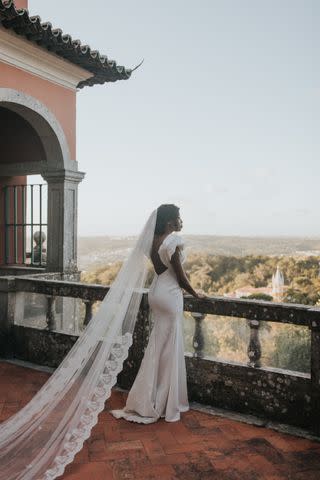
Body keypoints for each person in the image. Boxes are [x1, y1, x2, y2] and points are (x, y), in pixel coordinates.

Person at [111, 204, 206, 424]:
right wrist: (196, 293)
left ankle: (148, 397)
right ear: (169, 222)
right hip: (170, 294)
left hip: (156, 291)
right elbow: (181, 277)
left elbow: (162, 269)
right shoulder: (172, 241)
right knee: (169, 348)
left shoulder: (152, 242)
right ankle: (163, 401)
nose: (181, 220)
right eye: (178, 217)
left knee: (157, 345)